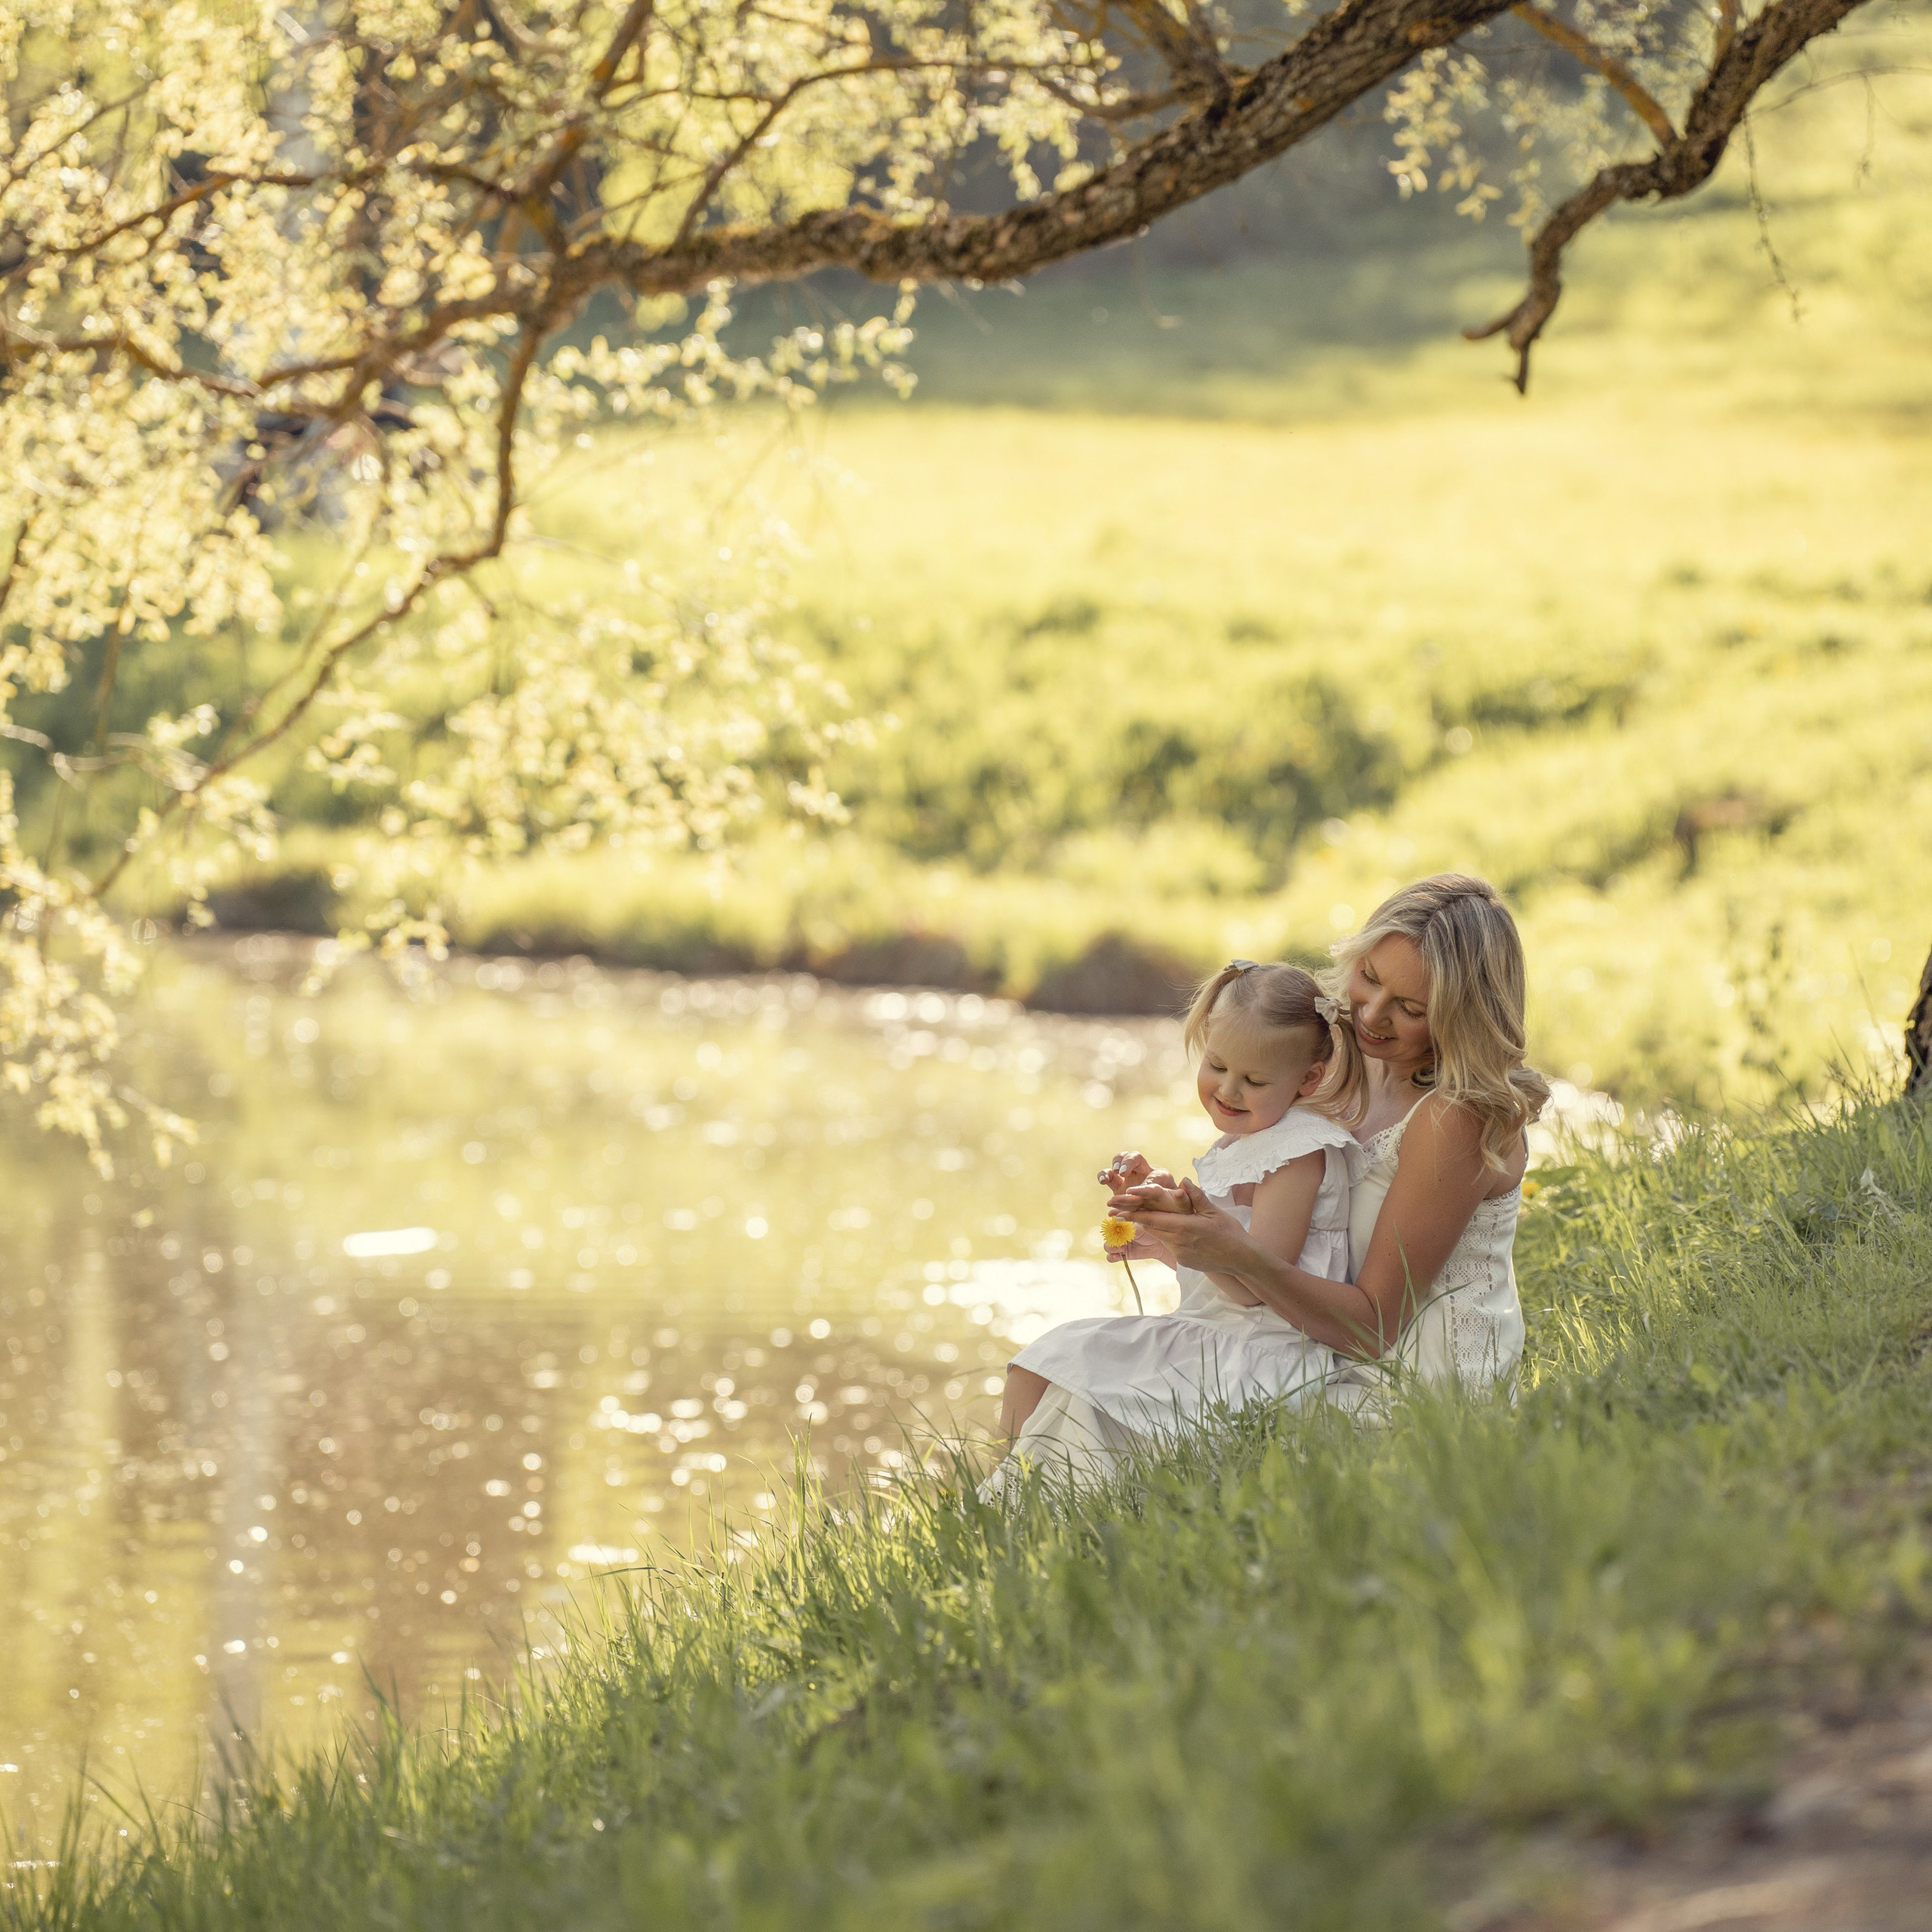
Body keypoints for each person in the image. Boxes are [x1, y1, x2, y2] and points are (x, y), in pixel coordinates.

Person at [986, 874, 1549, 1493]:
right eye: (1370, 978)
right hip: (1316, 1353)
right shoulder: (1339, 1073)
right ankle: (1009, 1550)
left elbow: (1373, 1328)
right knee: (1059, 1370)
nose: (1372, 1014)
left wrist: (1238, 1253)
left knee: (1096, 1408)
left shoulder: (1452, 1118)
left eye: (1411, 1009)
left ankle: (1041, 1558)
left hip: (1407, 1396)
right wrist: (1181, 1238)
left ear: (1460, 1017)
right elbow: (1300, 1253)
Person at [984, 958, 1365, 1497]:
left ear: (1308, 1078)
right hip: (1222, 1334)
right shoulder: (1250, 1141)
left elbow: (1256, 1287)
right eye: (1216, 1066)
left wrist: (1188, 1232)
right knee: (1039, 1365)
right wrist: (1163, 1234)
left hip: (1260, 1356)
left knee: (1069, 1363)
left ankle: (1014, 1503)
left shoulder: (1297, 1155)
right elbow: (1226, 1265)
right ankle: (998, 1496)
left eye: (1254, 1080)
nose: (1228, 1091)